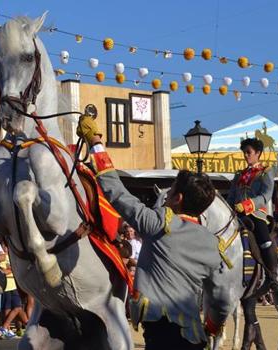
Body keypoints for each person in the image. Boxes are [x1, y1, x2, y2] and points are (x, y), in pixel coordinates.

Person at [77, 116, 221, 349]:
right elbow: (220, 297)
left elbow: (116, 192)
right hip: (195, 334)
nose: (166, 195)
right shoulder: (214, 244)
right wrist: (213, 325)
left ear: (178, 198)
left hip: (161, 332)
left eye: (170, 190)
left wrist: (95, 142)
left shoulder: (159, 224)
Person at [227, 138, 278, 287]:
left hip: (256, 214)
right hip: (238, 214)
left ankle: (273, 274)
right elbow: (231, 196)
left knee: (264, 239)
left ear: (258, 153)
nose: (246, 155)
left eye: (249, 152)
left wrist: (248, 205)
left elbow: (266, 195)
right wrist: (229, 208)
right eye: (244, 153)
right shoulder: (239, 174)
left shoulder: (266, 172)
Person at [0, 241, 27, 339]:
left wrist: (11, 269)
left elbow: (14, 269)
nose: (6, 247)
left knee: (18, 307)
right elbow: (3, 271)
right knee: (8, 309)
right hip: (6, 286)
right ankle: (7, 330)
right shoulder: (0, 257)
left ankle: (5, 327)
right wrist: (11, 269)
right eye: (4, 245)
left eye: (7, 246)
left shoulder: (12, 256)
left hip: (15, 285)